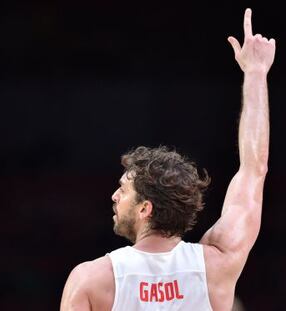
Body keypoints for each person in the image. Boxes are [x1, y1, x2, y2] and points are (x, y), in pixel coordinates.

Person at [60, 7, 275, 311]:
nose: (114, 195)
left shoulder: (91, 280)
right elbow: (255, 168)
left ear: (145, 208)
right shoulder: (218, 265)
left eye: (124, 189)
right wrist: (255, 73)